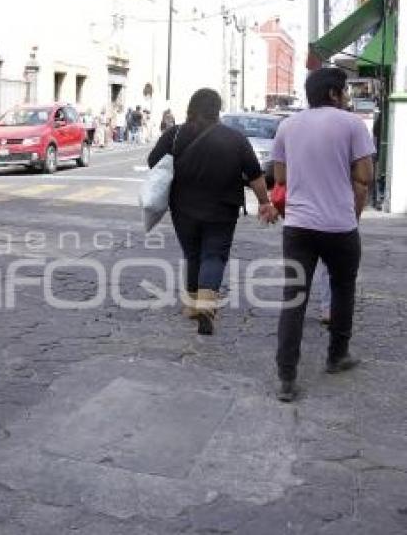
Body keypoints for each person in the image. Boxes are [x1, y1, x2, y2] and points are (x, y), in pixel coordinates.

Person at [271, 67, 375, 402]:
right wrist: (352, 216)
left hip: (298, 228)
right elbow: (364, 178)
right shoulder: (352, 125)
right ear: (333, 93)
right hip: (339, 227)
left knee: (294, 299)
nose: (347, 97)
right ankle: (336, 355)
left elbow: (281, 177)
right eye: (345, 91)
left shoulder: (287, 126)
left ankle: (287, 377)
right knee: (342, 289)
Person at [147, 88, 276, 336]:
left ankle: (193, 306)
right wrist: (264, 202)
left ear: (191, 108)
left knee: (193, 254)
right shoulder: (235, 138)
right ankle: (206, 305)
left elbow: (154, 162)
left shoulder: (175, 135)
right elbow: (255, 175)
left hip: (183, 208)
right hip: (223, 209)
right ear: (217, 110)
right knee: (214, 255)